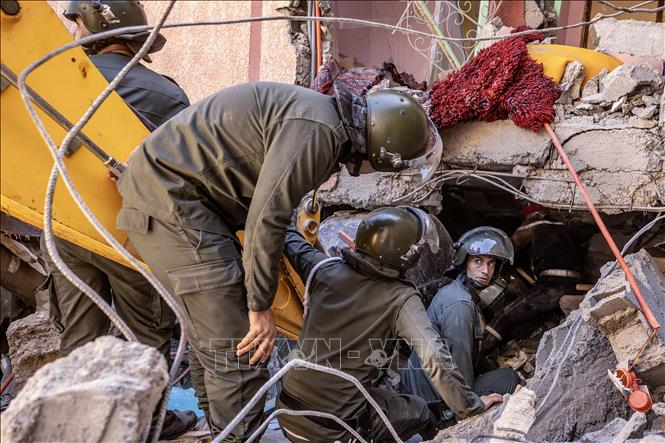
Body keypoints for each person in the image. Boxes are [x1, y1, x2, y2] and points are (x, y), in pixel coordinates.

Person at [115, 80, 442, 440]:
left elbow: (274, 210)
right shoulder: (320, 134)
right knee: (242, 346)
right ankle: (235, 435)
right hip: (176, 206)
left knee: (214, 341)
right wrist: (259, 306)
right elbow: (267, 218)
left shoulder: (319, 119)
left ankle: (223, 433)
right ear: (384, 151)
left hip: (177, 200)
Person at [40, 1, 193, 439]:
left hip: (67, 226)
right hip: (134, 234)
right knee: (145, 338)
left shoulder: (51, 81)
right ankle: (147, 424)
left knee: (79, 338)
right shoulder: (166, 95)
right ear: (134, 38)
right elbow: (186, 172)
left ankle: (76, 429)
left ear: (89, 29)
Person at [276, 207, 503, 442]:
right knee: (422, 411)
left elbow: (291, 240)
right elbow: (435, 356)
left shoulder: (325, 269)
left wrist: (278, 209)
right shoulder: (401, 299)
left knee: (378, 397)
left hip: (287, 407)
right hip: (333, 428)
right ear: (408, 255)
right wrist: (472, 407)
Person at [399, 226, 522, 419]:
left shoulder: (458, 292)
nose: (485, 270)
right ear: (464, 262)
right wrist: (470, 408)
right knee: (508, 379)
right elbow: (459, 363)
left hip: (419, 391)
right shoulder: (460, 305)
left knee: (500, 373)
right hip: (432, 404)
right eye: (478, 262)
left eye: (491, 264)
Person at [481, 201, 585, 351]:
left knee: (504, 317)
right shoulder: (561, 225)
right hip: (576, 282)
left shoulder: (531, 226)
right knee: (543, 317)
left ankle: (481, 352)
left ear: (526, 213)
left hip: (552, 283)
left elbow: (508, 250)